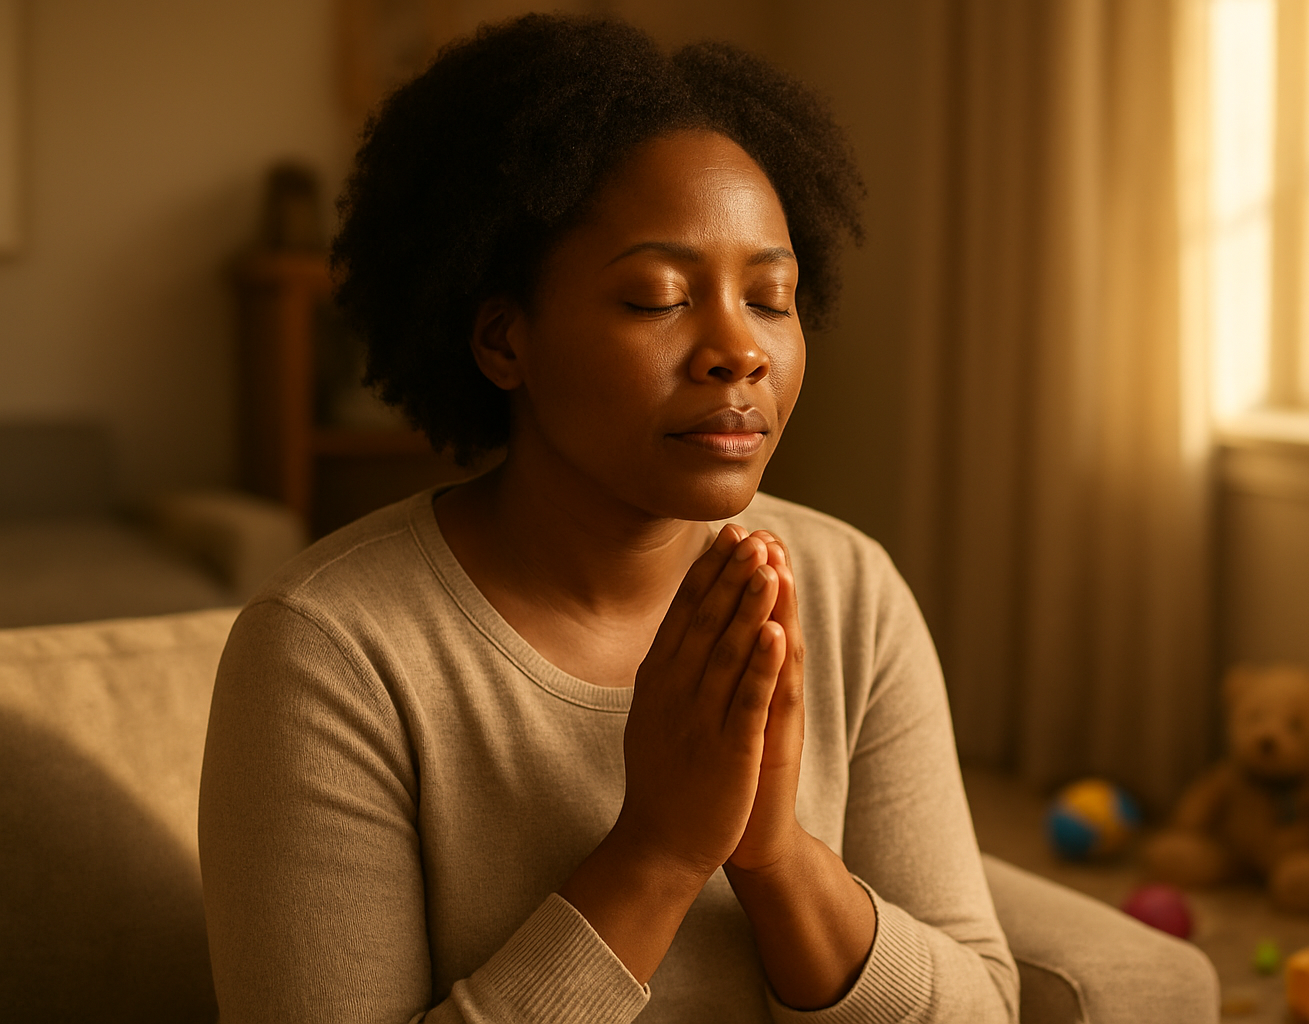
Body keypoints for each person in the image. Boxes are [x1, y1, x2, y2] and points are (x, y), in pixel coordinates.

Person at [199, 13, 1018, 1023]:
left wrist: (776, 855)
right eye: (657, 298)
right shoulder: (331, 652)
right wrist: (661, 851)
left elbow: (985, 1005)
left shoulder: (850, 590)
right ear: (505, 341)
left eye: (771, 297)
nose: (739, 350)